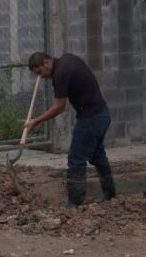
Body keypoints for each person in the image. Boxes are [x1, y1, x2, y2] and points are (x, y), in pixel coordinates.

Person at [24, 51, 115, 206]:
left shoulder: (60, 74)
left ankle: (74, 204)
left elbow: (59, 107)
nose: (41, 76)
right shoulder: (67, 59)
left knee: (76, 158)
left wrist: (36, 121)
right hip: (102, 114)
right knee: (97, 156)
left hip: (91, 118)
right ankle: (111, 196)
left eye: (40, 72)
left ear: (46, 62)